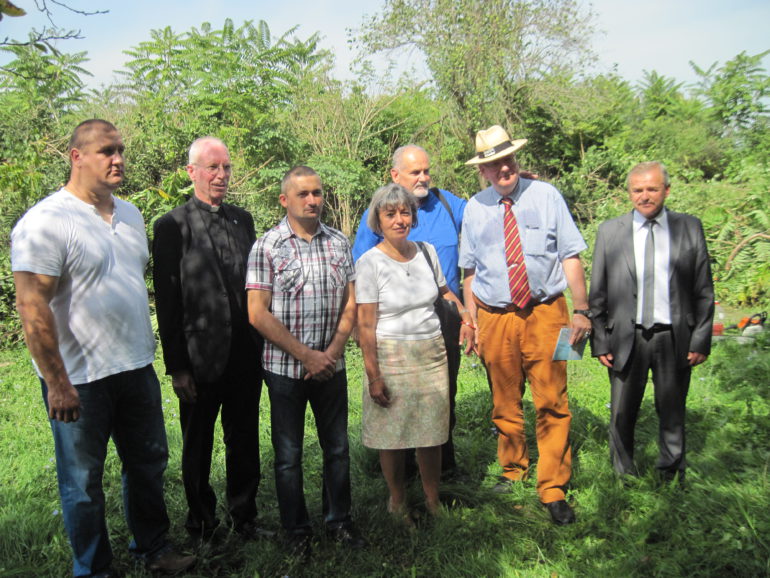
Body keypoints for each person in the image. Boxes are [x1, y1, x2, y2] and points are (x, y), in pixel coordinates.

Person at [11, 119, 195, 576]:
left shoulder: (130, 215)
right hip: (79, 379)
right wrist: (57, 383)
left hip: (135, 366)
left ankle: (154, 550)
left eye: (121, 150)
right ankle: (93, 569)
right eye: (106, 151)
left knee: (148, 464)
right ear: (76, 157)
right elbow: (32, 307)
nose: (118, 159)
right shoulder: (45, 222)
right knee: (82, 482)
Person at [459, 125, 591, 526]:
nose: (504, 168)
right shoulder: (474, 208)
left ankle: (553, 487)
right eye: (494, 164)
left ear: (516, 158)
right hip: (495, 318)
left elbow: (570, 255)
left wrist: (582, 310)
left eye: (508, 159)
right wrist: (472, 320)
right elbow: (469, 270)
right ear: (482, 171)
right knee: (504, 401)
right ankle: (513, 469)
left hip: (549, 313)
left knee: (553, 399)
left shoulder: (546, 195)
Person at [153, 137, 268, 541]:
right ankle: (201, 524)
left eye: (226, 167)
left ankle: (245, 517)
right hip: (200, 356)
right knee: (197, 444)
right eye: (212, 167)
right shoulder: (172, 226)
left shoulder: (243, 220)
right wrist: (177, 367)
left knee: (244, 439)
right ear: (192, 172)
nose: (221, 175)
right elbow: (167, 301)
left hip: (245, 353)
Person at [246, 165, 364, 557]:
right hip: (285, 371)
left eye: (317, 192)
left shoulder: (339, 242)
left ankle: (339, 521)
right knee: (288, 457)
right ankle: (296, 530)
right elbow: (257, 313)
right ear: (285, 200)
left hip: (331, 366)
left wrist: (332, 352)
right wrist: (306, 356)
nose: (312, 200)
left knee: (337, 450)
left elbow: (351, 302)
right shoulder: (267, 246)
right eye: (303, 194)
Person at [589, 161, 714, 483]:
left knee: (672, 410)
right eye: (638, 190)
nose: (644, 196)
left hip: (674, 336)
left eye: (652, 189)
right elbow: (598, 291)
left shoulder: (689, 227)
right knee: (621, 412)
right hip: (625, 337)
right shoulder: (610, 232)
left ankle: (671, 474)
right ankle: (624, 475)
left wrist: (700, 339)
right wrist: (600, 340)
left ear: (666, 190)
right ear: (629, 193)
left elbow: (703, 288)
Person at [356, 183, 474, 521]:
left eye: (405, 212)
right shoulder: (369, 263)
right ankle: (397, 502)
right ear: (378, 220)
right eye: (390, 214)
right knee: (392, 434)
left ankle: (432, 500)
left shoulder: (426, 252)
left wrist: (466, 316)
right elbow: (365, 326)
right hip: (391, 356)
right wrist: (373, 375)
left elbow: (445, 292)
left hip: (431, 353)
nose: (399, 220)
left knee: (431, 433)